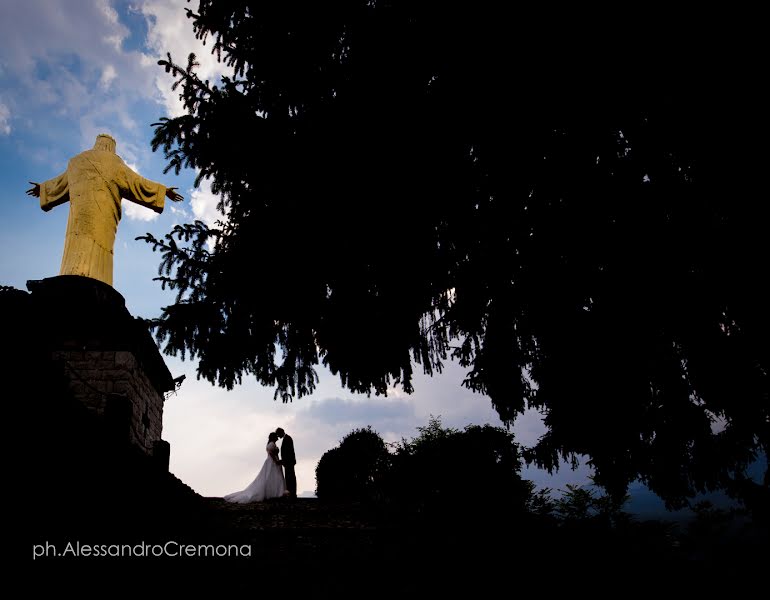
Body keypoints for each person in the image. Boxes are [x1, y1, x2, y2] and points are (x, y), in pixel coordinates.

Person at [25, 133, 184, 287]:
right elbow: (138, 183)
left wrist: (44, 189)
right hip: (104, 216)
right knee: (101, 248)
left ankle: (72, 271)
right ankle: (98, 279)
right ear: (111, 147)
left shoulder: (77, 162)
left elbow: (60, 183)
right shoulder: (114, 163)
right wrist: (163, 191)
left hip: (79, 216)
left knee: (77, 242)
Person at [224, 432, 287, 503]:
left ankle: (277, 493)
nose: (277, 438)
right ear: (273, 437)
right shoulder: (271, 444)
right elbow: (271, 453)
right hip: (272, 462)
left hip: (272, 462)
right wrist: (276, 461)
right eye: (276, 436)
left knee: (273, 477)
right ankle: (277, 493)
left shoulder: (272, 444)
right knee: (273, 476)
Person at [275, 427, 297, 499]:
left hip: (289, 462)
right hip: (288, 462)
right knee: (289, 477)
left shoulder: (287, 438)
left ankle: (292, 494)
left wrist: (282, 461)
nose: (278, 436)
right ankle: (291, 493)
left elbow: (288, 452)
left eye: (278, 434)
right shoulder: (286, 438)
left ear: (281, 432)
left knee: (290, 477)